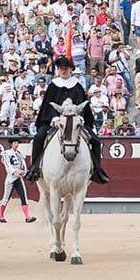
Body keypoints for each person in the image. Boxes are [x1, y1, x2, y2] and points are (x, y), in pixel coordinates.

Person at [26, 56, 108, 184]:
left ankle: (97, 170)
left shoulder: (77, 86)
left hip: (75, 121)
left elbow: (82, 104)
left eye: (66, 68)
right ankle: (34, 168)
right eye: (61, 69)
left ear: (70, 69)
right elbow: (48, 105)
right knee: (39, 138)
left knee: (96, 140)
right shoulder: (53, 85)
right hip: (55, 121)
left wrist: (79, 116)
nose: (63, 71)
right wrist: (55, 118)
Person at [0, 138, 35, 224]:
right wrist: (14, 172)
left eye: (17, 143)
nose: (16, 144)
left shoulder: (19, 154)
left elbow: (23, 164)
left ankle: (27, 217)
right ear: (11, 144)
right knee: (6, 198)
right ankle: (1, 216)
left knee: (24, 197)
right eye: (15, 143)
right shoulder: (6, 153)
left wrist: (23, 172)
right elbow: (7, 164)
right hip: (11, 179)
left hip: (19, 178)